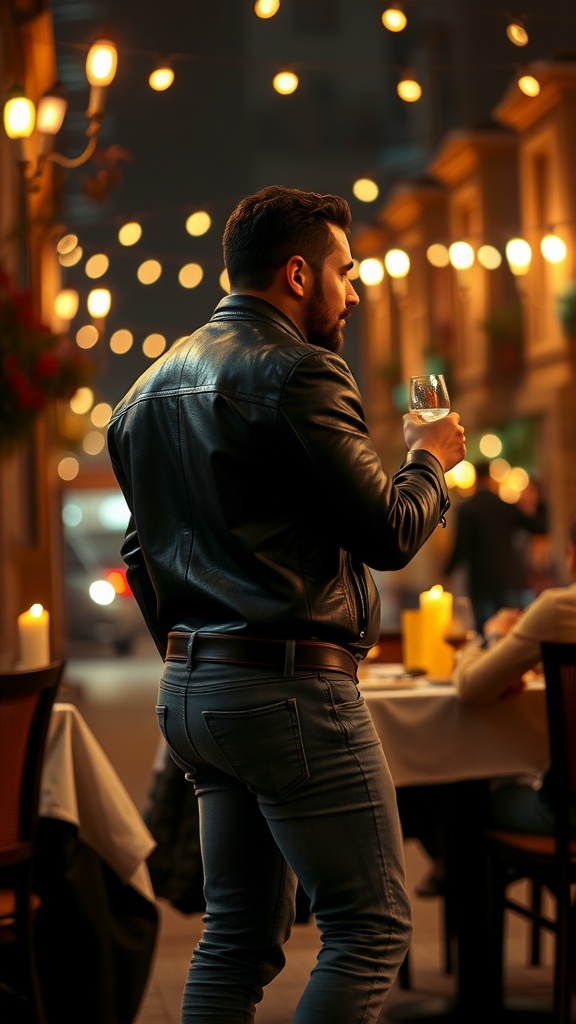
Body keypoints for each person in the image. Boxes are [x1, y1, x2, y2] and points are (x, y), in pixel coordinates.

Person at [107, 184, 466, 1024]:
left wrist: (195, 650)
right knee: (371, 924)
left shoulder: (145, 392)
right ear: (298, 273)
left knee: (233, 937)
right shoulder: (301, 368)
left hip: (193, 693)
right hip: (289, 686)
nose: (354, 291)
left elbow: (140, 555)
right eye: (345, 271)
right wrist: (428, 459)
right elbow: (387, 529)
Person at [453, 510, 576, 834]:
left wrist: (490, 636)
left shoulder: (559, 609)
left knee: (469, 795)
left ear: (572, 555)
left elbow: (471, 688)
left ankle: (460, 880)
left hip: (567, 816)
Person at [442, 460, 548, 632]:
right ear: (491, 478)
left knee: (486, 633)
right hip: (509, 579)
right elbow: (539, 526)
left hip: (481, 581)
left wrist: (446, 573)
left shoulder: (467, 509)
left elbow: (460, 547)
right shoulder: (505, 506)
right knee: (512, 631)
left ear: (475, 479)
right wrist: (538, 501)